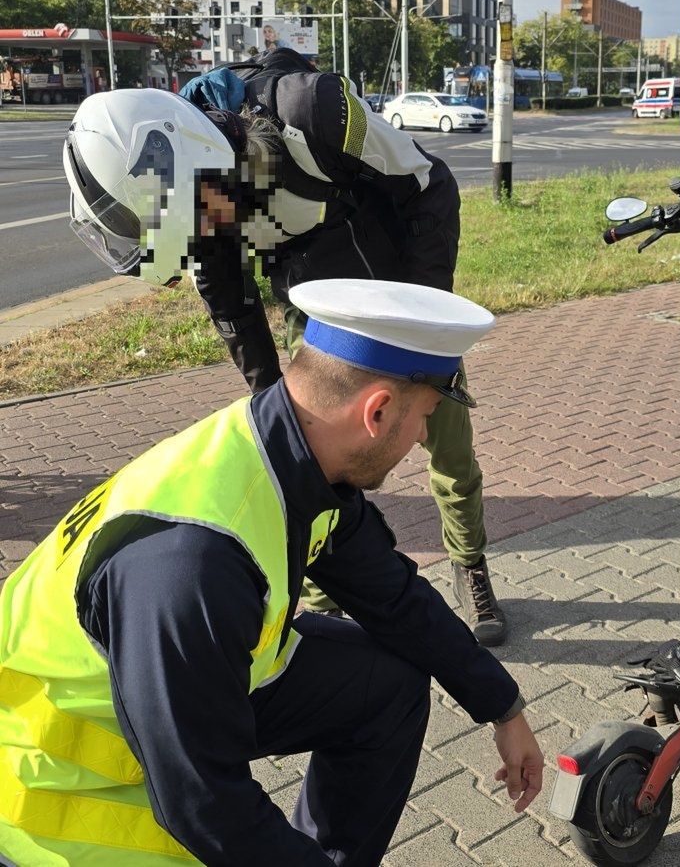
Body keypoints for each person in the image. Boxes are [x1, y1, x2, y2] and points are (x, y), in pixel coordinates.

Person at [0, 277, 543, 865]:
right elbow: (204, 803)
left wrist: (503, 707)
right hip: (60, 794)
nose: (422, 438)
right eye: (426, 417)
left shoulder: (291, 453)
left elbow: (394, 598)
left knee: (387, 686)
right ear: (378, 410)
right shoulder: (193, 564)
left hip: (167, 697)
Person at [65, 52, 510, 646]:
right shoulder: (197, 202)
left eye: (207, 219)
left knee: (448, 445)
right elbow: (232, 306)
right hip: (318, 313)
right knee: (312, 460)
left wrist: (423, 321)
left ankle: (469, 562)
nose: (212, 230)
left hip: (400, 290)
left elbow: (429, 184)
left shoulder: (315, 111)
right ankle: (326, 602)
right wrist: (272, 399)